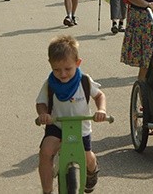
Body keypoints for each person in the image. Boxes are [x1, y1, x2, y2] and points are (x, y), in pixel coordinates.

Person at [36, 35, 107, 194]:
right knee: (45, 152)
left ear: (78, 63)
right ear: (50, 65)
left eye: (68, 69)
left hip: (80, 127)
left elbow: (99, 96)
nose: (62, 74)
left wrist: (101, 110)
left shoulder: (84, 81)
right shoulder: (50, 84)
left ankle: (92, 169)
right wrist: (43, 114)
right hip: (57, 125)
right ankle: (47, 190)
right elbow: (41, 103)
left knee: (87, 158)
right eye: (56, 70)